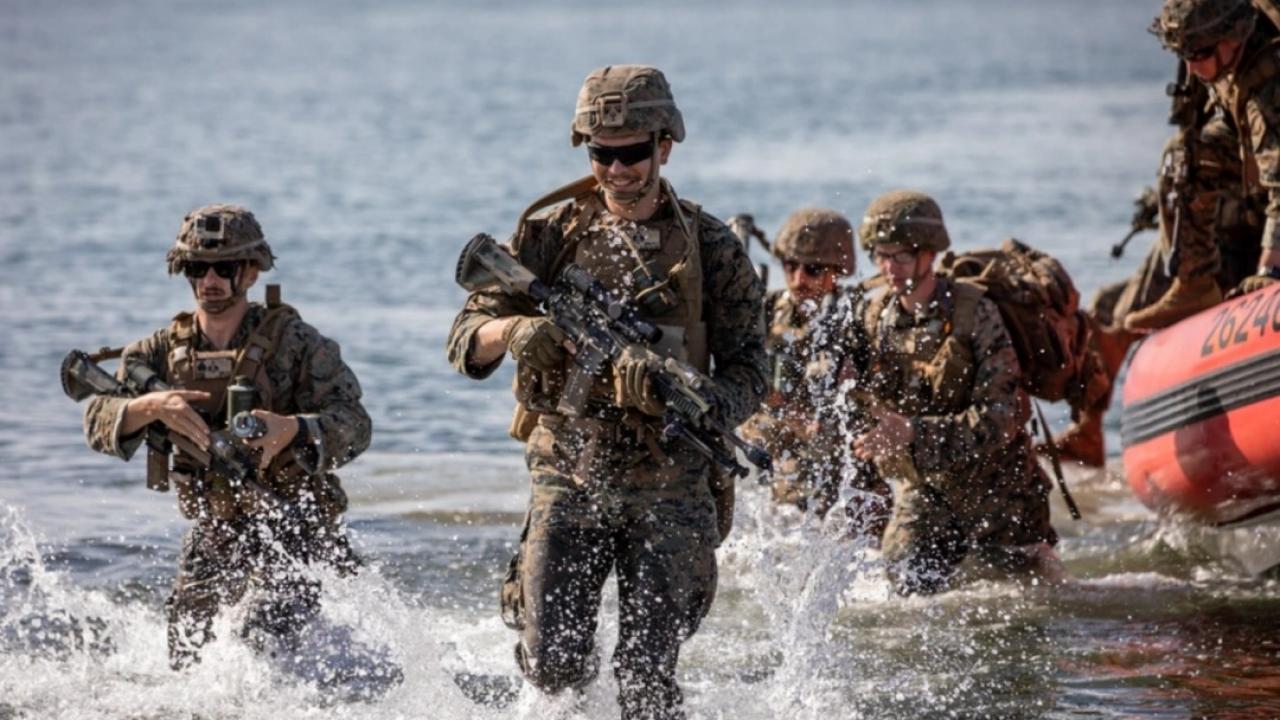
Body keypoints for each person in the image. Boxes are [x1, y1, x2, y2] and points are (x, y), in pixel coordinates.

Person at [445, 65, 766, 719]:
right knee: (552, 668)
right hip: (570, 476)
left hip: (672, 488)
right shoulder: (549, 236)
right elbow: (463, 340)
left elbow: (753, 373)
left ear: (664, 146)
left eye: (632, 154)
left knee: (647, 681)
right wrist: (516, 330)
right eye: (601, 154)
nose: (617, 170)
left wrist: (692, 400)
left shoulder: (711, 249)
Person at [81, 204, 371, 669]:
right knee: (184, 657)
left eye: (224, 268)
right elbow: (97, 419)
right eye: (197, 268)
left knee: (268, 645)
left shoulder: (296, 343)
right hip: (216, 527)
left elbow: (356, 425)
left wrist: (293, 430)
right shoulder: (157, 353)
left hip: (296, 523)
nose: (209, 280)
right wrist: (151, 406)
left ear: (251, 272)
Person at [850, 190, 1059, 596]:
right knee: (900, 595)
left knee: (1030, 605)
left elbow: (1000, 420)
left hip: (1002, 493)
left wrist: (912, 433)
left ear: (929, 255)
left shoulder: (975, 314)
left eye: (901, 256)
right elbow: (862, 399)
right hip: (929, 493)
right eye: (881, 255)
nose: (889, 267)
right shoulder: (876, 317)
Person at [738, 208, 891, 537]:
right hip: (784, 475)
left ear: (839, 271)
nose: (798, 279)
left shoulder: (858, 321)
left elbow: (873, 408)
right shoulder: (768, 309)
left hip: (846, 480)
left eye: (813, 269)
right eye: (790, 266)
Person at [1137, 0, 1280, 330]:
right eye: (1184, 56)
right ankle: (1195, 282)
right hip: (1252, 164)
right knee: (1185, 156)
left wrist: (1269, 272)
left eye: (1198, 55)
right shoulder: (1230, 59)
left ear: (1232, 37)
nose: (1191, 69)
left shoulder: (1269, 86)